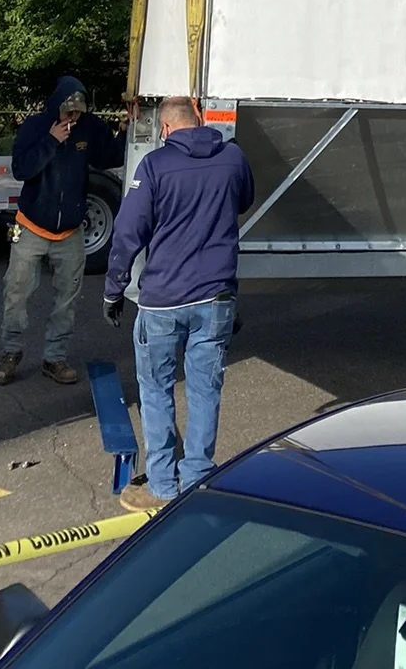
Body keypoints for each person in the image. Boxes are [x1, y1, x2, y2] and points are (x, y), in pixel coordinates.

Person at [103, 96, 255, 512]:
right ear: (200, 120)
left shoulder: (155, 166)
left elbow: (128, 232)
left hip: (164, 301)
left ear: (166, 129)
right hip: (217, 297)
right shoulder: (233, 158)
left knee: (156, 390)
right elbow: (244, 201)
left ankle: (162, 486)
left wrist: (114, 289)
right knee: (205, 390)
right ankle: (198, 478)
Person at [0, 76, 124, 387]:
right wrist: (51, 141)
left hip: (70, 231)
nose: (73, 118)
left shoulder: (89, 127)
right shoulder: (36, 127)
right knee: (16, 292)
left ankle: (55, 358)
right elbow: (21, 169)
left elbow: (109, 158)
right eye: (68, 112)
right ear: (57, 107)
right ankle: (10, 352)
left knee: (67, 298)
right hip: (31, 225)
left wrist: (124, 131)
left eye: (78, 112)